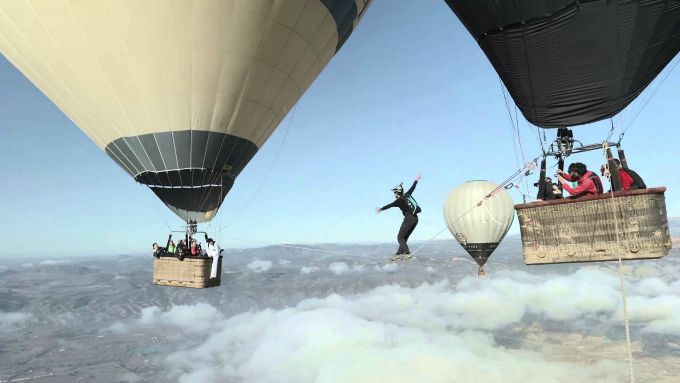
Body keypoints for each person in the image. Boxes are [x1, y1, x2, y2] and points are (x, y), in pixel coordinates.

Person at [376, 174, 422, 261]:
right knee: (404, 238)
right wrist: (416, 180)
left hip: (409, 219)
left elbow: (389, 205)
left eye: (395, 192)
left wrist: (380, 209)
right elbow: (413, 188)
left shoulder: (398, 200)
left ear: (397, 193)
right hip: (415, 219)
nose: (394, 194)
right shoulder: (407, 194)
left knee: (400, 237)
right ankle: (398, 254)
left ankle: (407, 254)